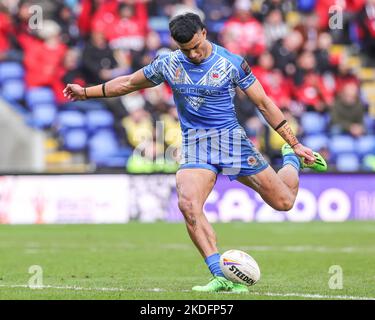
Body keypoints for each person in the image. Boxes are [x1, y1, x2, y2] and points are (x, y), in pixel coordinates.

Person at [63, 13, 327, 293]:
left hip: (231, 144)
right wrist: (86, 92)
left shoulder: (231, 63)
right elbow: (128, 82)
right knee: (188, 205)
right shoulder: (169, 64)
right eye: (184, 49)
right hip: (196, 146)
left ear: (203, 32)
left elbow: (263, 103)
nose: (193, 53)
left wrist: (295, 143)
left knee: (284, 202)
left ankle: (290, 158)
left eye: (195, 46)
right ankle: (220, 275)